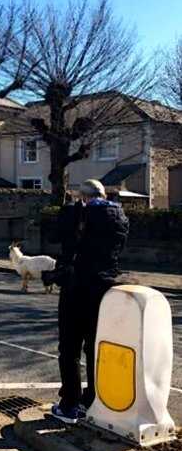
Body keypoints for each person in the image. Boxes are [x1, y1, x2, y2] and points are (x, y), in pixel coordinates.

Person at [50, 179, 129, 424]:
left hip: (76, 287)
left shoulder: (77, 214)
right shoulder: (120, 216)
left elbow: (58, 236)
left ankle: (70, 405)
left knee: (69, 349)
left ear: (83, 197)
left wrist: (72, 207)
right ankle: (93, 399)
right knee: (95, 348)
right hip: (103, 288)